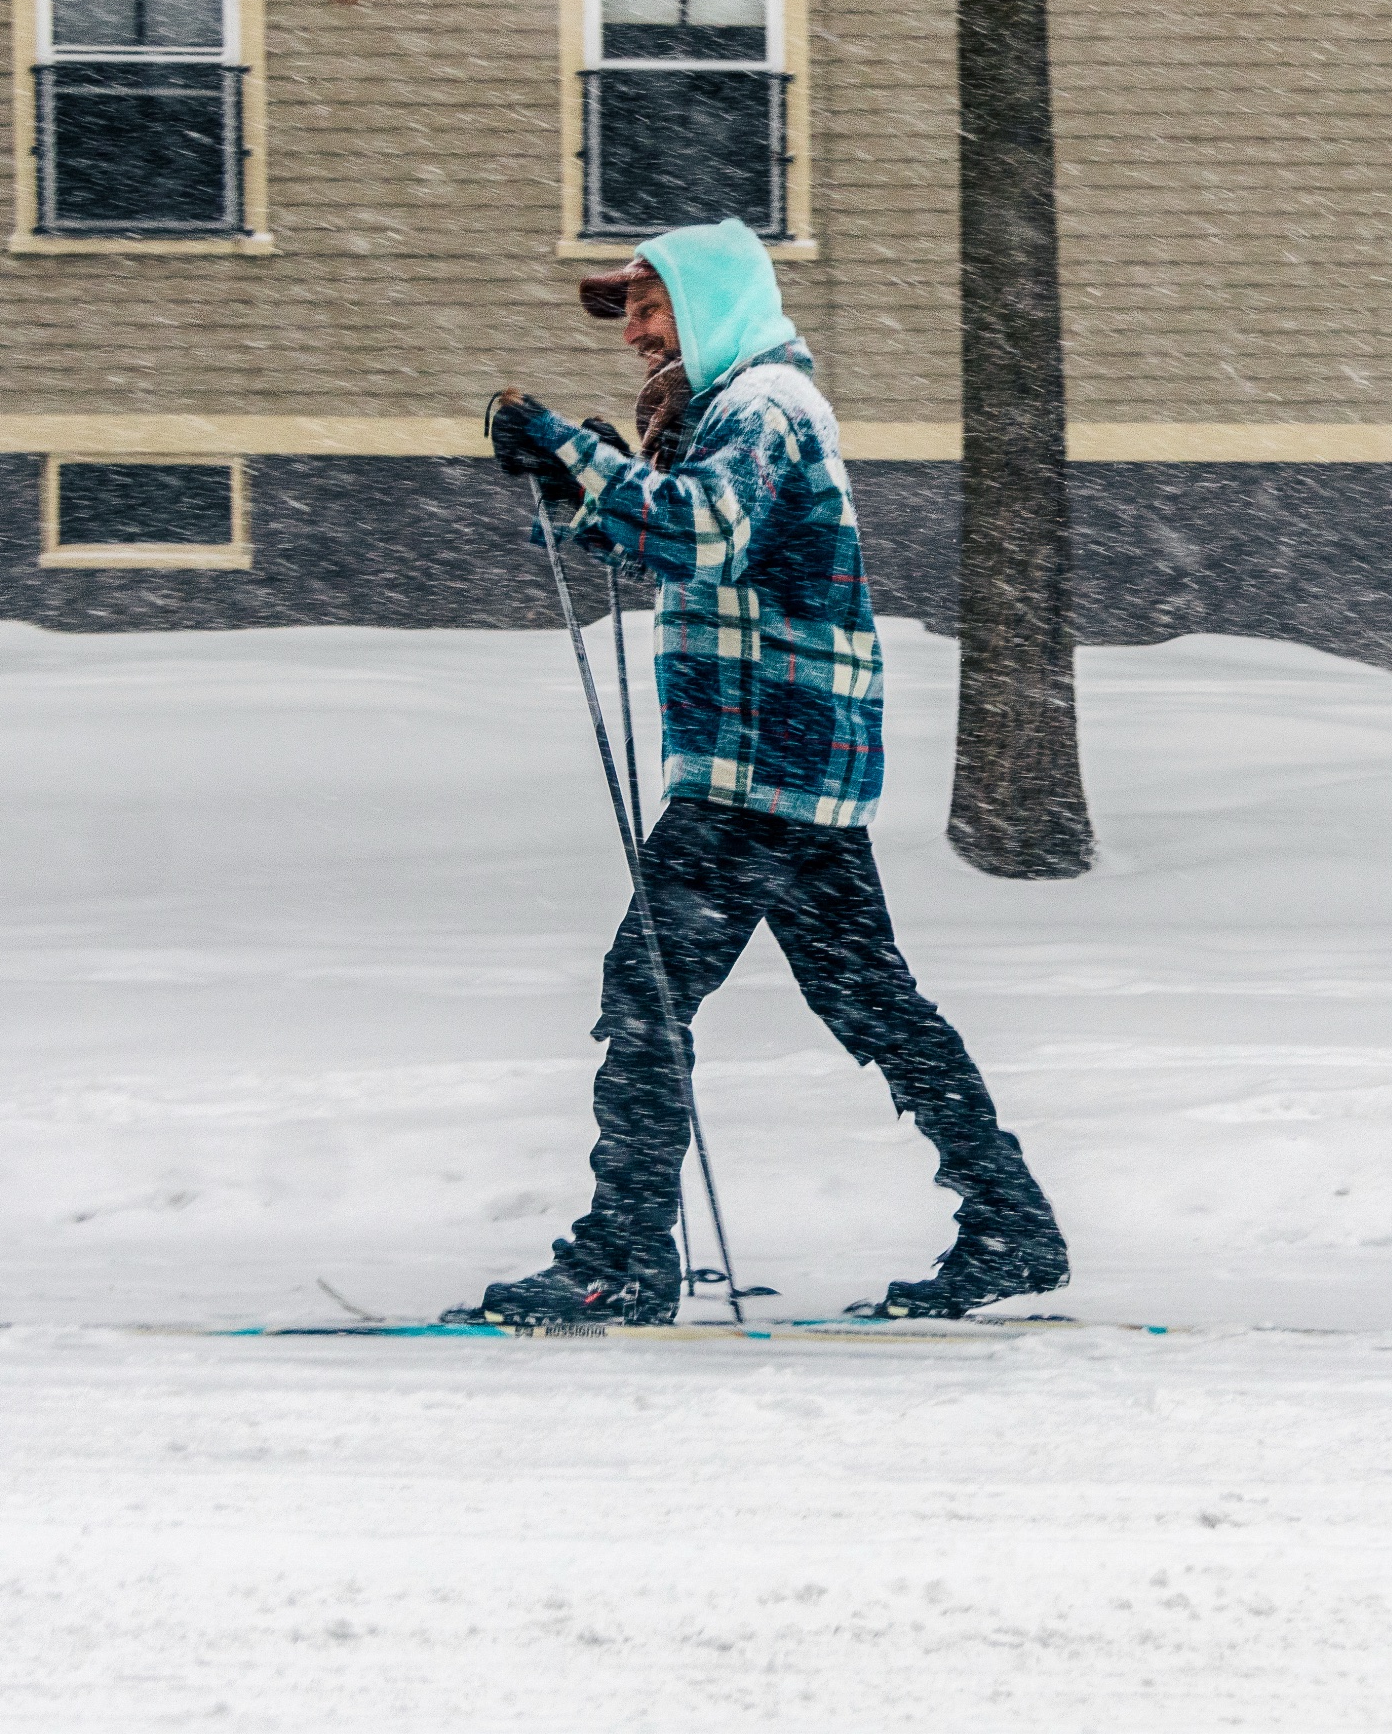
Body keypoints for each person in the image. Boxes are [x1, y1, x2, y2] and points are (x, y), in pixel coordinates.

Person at [457, 218, 1068, 1325]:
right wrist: (577, 483)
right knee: (873, 1002)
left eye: (651, 306)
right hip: (792, 761)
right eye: (632, 312)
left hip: (759, 760)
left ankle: (623, 1257)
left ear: (710, 305)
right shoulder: (734, 411)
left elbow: (700, 533)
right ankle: (1010, 1220)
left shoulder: (762, 408)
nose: (636, 331)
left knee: (647, 990)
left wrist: (571, 450)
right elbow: (683, 543)